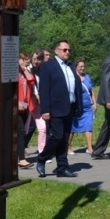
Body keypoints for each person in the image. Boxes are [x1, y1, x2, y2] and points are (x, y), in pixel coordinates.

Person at [36, 40, 83, 178]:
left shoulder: (70, 67)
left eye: (69, 50)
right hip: (54, 109)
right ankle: (42, 158)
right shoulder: (48, 66)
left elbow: (76, 88)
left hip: (69, 108)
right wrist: (45, 110)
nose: (68, 52)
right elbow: (43, 89)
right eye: (65, 50)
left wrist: (78, 106)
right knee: (56, 136)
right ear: (56, 51)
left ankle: (62, 167)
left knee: (64, 139)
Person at [68, 59, 96, 155]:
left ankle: (89, 148)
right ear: (76, 67)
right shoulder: (72, 77)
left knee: (88, 126)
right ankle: (68, 147)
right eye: (80, 66)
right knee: (72, 128)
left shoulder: (87, 77)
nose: (83, 68)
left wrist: (94, 103)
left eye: (83, 66)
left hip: (88, 107)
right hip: (76, 107)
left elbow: (91, 91)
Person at [25, 50, 47, 157]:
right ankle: (20, 152)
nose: (36, 61)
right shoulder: (26, 70)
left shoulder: (42, 71)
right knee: (24, 129)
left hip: (36, 104)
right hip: (26, 104)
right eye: (34, 59)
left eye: (39, 59)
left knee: (42, 128)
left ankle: (42, 152)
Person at [16, 53, 35, 169]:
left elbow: (31, 81)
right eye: (23, 60)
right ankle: (22, 159)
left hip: (25, 107)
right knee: (21, 132)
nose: (26, 62)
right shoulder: (11, 73)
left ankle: (19, 157)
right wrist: (16, 103)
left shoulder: (23, 73)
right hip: (16, 108)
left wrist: (24, 69)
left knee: (22, 132)